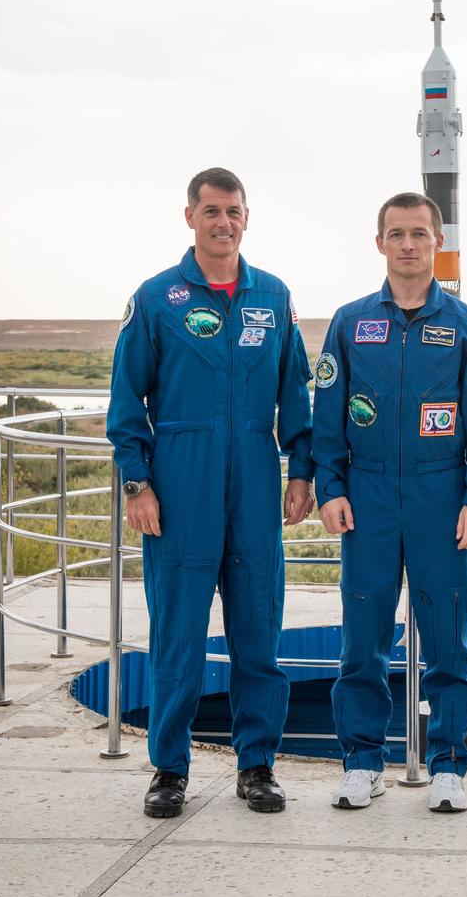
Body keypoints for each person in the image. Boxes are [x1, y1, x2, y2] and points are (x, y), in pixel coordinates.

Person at [107, 168, 314, 818]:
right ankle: (169, 769)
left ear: (246, 219)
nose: (223, 221)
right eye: (211, 210)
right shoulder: (157, 298)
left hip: (254, 485)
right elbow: (125, 402)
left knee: (258, 636)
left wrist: (302, 470)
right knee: (177, 640)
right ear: (190, 216)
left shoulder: (271, 297)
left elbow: (295, 397)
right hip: (179, 487)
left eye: (234, 211)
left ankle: (257, 766)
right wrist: (137, 484)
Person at [312, 192, 467, 813]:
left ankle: (448, 764)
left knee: (449, 641)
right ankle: (362, 762)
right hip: (368, 501)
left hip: (442, 500)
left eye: (419, 234)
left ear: (437, 243)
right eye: (396, 233)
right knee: (362, 641)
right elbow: (326, 420)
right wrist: (332, 488)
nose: (408, 244)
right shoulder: (350, 323)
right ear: (379, 243)